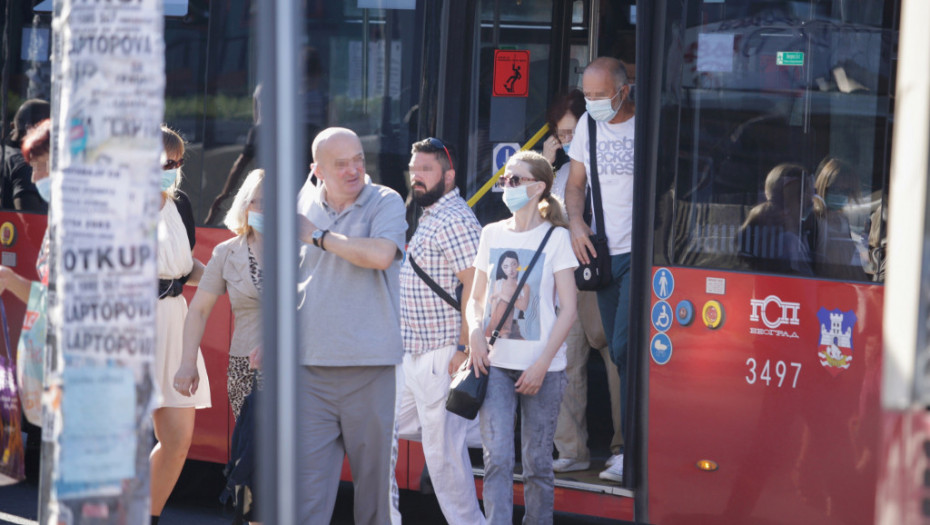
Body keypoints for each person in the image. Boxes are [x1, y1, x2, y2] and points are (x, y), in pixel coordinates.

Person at [295, 127, 406, 524]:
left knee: (375, 500)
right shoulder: (302, 204)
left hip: (371, 369)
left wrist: (320, 237)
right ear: (317, 170)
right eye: (340, 164)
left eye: (358, 159)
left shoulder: (386, 200)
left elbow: (380, 255)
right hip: (310, 370)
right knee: (304, 501)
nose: (353, 170)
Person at [467, 150, 578, 524]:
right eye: (504, 180)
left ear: (539, 187)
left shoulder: (557, 238)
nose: (507, 186)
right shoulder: (491, 233)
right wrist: (473, 334)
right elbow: (475, 299)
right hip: (494, 364)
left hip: (543, 369)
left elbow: (570, 310)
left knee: (537, 464)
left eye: (515, 180)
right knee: (496, 459)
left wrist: (542, 364)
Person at [395, 138, 485, 525]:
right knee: (375, 430)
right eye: (414, 170)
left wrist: (464, 348)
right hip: (413, 353)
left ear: (449, 176)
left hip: (441, 354)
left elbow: (474, 287)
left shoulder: (455, 219)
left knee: (444, 459)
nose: (417, 178)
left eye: (426, 170)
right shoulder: (433, 214)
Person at [173, 168, 264, 524]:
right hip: (248, 372)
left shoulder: (303, 249)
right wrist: (186, 364)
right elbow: (198, 311)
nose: (266, 208)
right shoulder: (228, 252)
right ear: (244, 206)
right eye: (258, 201)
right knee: (255, 462)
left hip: (299, 369)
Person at [542, 90, 625, 475]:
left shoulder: (607, 166)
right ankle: (571, 450)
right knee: (566, 361)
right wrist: (545, 163)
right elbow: (538, 217)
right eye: (561, 135)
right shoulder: (560, 173)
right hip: (564, 278)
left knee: (614, 357)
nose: (569, 140)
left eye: (573, 131)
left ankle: (622, 445)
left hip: (599, 272)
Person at [564, 56, 635, 482]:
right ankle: (627, 445)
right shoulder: (587, 130)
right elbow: (575, 186)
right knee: (615, 350)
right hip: (604, 256)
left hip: (642, 258)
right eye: (586, 95)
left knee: (625, 349)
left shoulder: (647, 127)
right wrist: (576, 221)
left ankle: (629, 448)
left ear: (623, 92)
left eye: (599, 96)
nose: (591, 103)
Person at [151, 126, 211, 525]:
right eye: (164, 162)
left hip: (175, 319)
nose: (172, 170)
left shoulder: (180, 203)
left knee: (176, 439)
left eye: (177, 163)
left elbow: (186, 268)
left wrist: (229, 280)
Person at [739, 163, 814, 276]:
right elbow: (805, 281)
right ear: (799, 197)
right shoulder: (789, 240)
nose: (812, 200)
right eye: (809, 193)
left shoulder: (793, 234)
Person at [810, 157, 868, 281]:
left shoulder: (843, 220)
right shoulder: (815, 219)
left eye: (846, 191)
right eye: (835, 189)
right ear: (823, 186)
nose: (841, 195)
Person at [0, 99, 50, 212]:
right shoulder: (24, 165)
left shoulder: (4, 152)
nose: (34, 178)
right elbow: (28, 221)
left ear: (13, 126)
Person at [484, 250, 528, 340]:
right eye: (506, 266)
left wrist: (501, 295)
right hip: (497, 324)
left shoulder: (524, 286)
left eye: (513, 264)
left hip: (514, 326)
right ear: (502, 268)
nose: (510, 269)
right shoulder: (499, 283)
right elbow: (494, 309)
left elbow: (523, 306)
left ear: (518, 264)